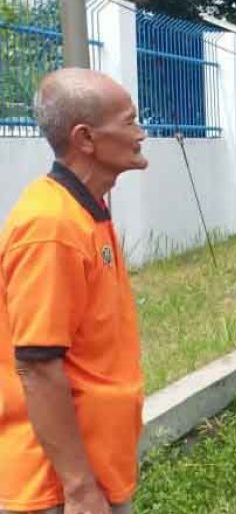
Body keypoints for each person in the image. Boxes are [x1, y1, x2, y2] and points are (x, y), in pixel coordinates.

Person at [0, 69, 148, 514]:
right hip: (56, 492)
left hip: (96, 474)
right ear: (85, 138)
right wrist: (80, 488)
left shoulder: (89, 211)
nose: (141, 133)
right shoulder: (52, 228)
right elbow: (38, 367)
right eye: (129, 121)